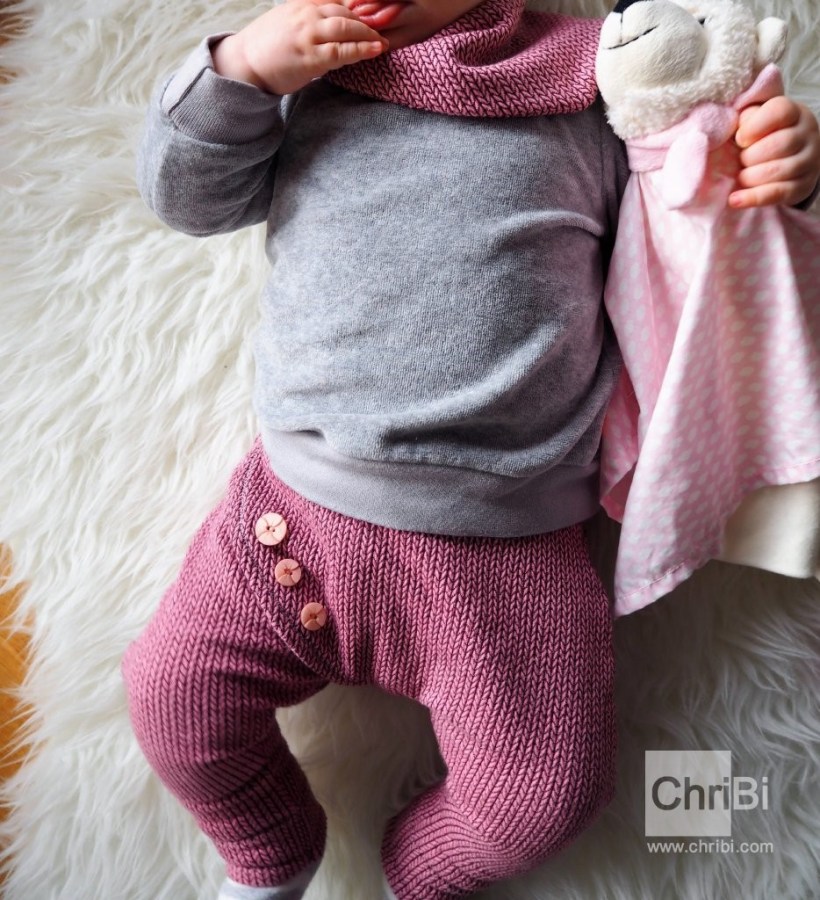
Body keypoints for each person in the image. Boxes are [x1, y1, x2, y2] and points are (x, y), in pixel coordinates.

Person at [121, 1, 820, 899]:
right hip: (294, 519)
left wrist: (774, 165)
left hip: (508, 556)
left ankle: (415, 877)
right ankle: (271, 856)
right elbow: (187, 198)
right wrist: (242, 71)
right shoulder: (310, 70)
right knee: (172, 699)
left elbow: (694, 224)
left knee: (540, 800)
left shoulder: (600, 82)